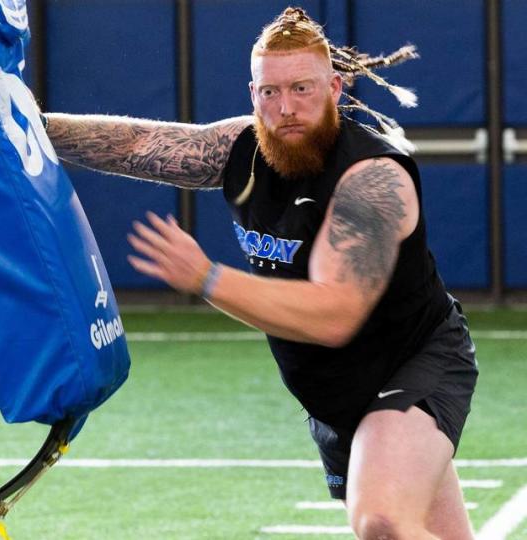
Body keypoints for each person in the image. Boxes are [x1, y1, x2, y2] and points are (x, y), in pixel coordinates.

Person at [42, 8, 477, 539]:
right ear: (252, 94)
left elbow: (336, 314)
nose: (286, 108)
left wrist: (207, 277)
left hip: (413, 364)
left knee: (382, 521)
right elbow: (138, 145)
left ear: (334, 88)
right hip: (334, 391)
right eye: (270, 92)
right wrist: (28, 126)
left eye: (301, 88)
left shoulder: (372, 181)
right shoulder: (241, 149)